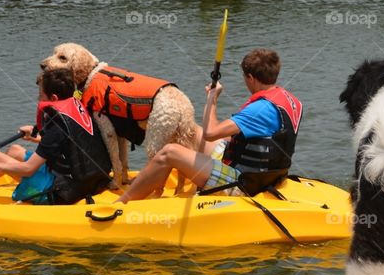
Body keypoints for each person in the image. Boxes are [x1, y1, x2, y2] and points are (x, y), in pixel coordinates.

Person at [117, 48, 302, 202]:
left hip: (244, 182)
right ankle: (164, 177)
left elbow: (211, 133)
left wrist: (212, 99)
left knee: (168, 151)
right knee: (192, 132)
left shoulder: (259, 109)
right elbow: (238, 136)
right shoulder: (288, 100)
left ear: (251, 78)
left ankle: (122, 204)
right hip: (267, 173)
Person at [0, 68, 112, 205]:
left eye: (41, 95)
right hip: (88, 181)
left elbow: (28, 170)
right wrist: (38, 137)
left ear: (54, 97)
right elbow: (72, 143)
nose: (39, 98)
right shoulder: (77, 108)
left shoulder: (57, 124)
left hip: (62, 192)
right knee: (15, 150)